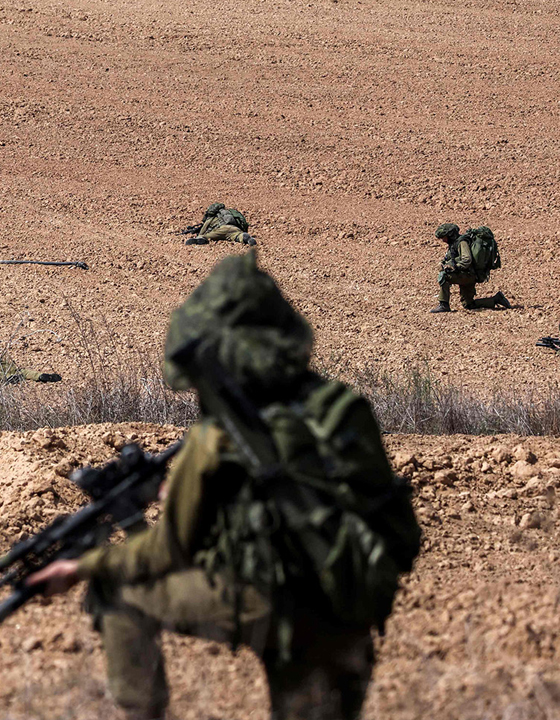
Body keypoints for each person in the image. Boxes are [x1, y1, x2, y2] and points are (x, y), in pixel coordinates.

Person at [26, 252, 420, 720]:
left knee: (117, 588)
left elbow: (167, 551)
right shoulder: (343, 407)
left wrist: (81, 566)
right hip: (348, 607)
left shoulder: (215, 437)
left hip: (269, 606)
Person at [431, 223, 509, 312]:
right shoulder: (454, 244)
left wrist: (455, 267)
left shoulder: (462, 243)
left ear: (450, 235)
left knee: (444, 276)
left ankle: (444, 305)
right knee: (468, 304)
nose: (443, 240)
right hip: (467, 274)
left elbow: (467, 259)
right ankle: (496, 299)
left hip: (468, 275)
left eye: (444, 237)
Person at [185, 202, 255, 246]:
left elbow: (203, 229)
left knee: (206, 236)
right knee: (237, 236)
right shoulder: (229, 214)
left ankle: (200, 240)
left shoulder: (212, 217)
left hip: (221, 229)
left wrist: (200, 236)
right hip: (235, 228)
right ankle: (246, 238)